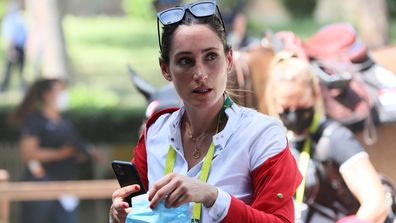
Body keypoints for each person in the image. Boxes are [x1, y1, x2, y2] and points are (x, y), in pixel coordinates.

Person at [110, 1, 302, 223]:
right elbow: (141, 214)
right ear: (166, 69)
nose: (200, 73)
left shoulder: (263, 134)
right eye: (185, 61)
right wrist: (118, 217)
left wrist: (212, 196)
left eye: (210, 57)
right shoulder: (155, 132)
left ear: (228, 60)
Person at [265, 51, 388, 223]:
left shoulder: (336, 139)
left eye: (300, 101)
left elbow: (376, 205)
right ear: (273, 100)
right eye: (286, 105)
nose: (293, 112)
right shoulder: (271, 144)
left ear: (315, 94)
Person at [10, 78, 98, 223]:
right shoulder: (34, 121)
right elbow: (27, 154)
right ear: (47, 95)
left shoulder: (65, 122)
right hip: (40, 189)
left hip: (64, 187)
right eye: (60, 91)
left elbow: (76, 146)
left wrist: (83, 154)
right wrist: (61, 154)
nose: (64, 95)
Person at [0, 2, 27, 93]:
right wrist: (11, 49)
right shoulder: (9, 20)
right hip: (13, 47)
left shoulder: (20, 18)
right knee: (9, 69)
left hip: (21, 46)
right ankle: (3, 88)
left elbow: (24, 33)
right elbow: (10, 36)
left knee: (20, 70)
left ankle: (21, 88)